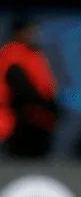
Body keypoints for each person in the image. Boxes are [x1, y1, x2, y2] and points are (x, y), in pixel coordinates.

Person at [0, 17, 59, 158]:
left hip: (38, 121)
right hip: (15, 124)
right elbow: (21, 90)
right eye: (29, 31)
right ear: (18, 33)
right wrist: (45, 105)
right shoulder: (12, 54)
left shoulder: (34, 54)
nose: (33, 34)